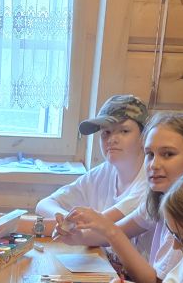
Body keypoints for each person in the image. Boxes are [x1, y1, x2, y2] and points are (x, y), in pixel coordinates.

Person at [55, 112, 183, 283]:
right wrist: (77, 236)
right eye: (150, 154)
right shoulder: (157, 198)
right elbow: (111, 233)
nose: (154, 165)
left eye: (168, 154)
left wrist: (110, 230)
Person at [35, 94, 150, 231]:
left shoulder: (150, 182)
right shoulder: (105, 171)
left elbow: (99, 227)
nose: (112, 139)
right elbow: (44, 204)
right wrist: (64, 217)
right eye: (106, 132)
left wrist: (70, 224)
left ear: (145, 136)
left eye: (124, 131)